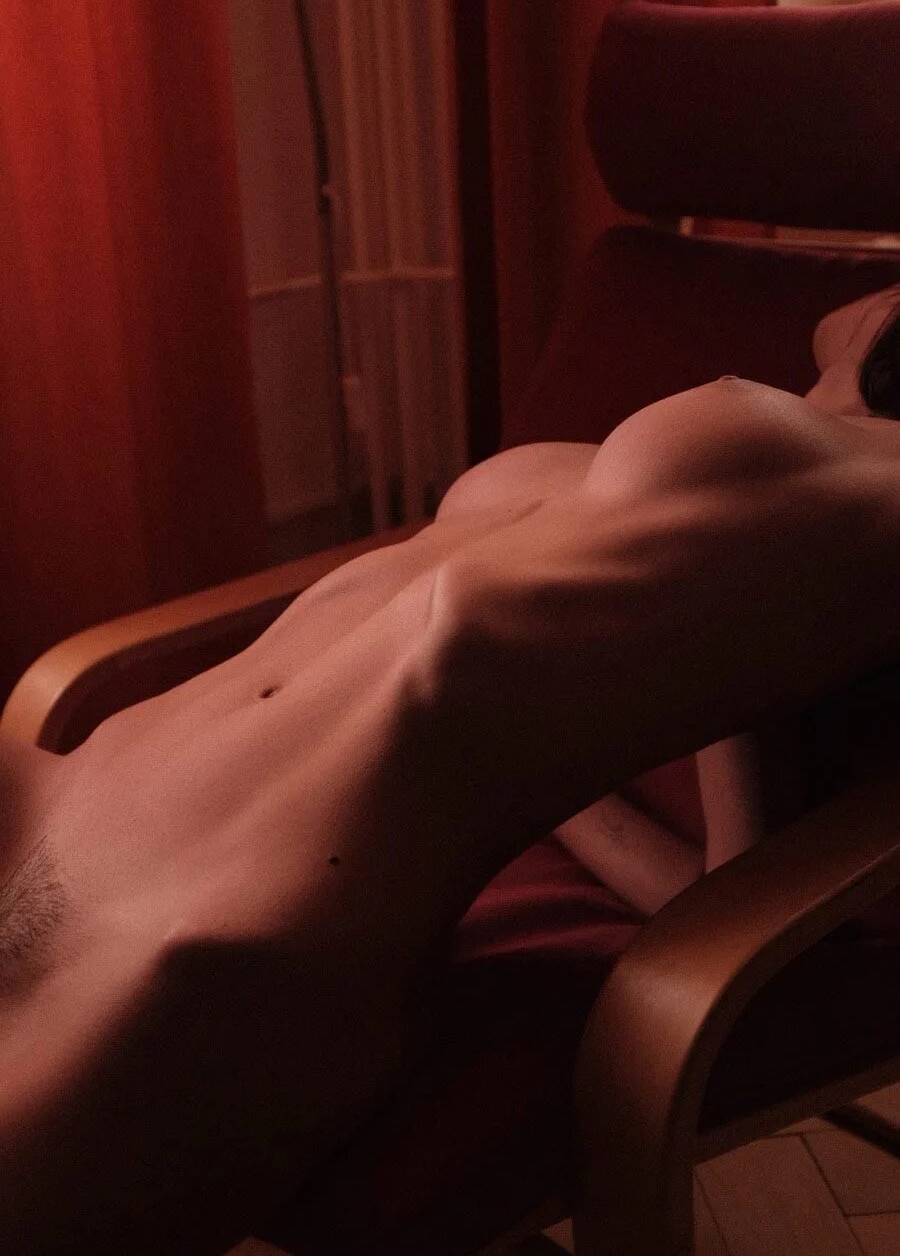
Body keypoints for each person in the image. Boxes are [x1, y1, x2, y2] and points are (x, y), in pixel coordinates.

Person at [3, 284, 900, 1254]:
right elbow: (846, 325)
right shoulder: (791, 439)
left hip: (215, 927)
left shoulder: (868, 497)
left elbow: (729, 882)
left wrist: (546, 787)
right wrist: (562, 789)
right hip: (60, 788)